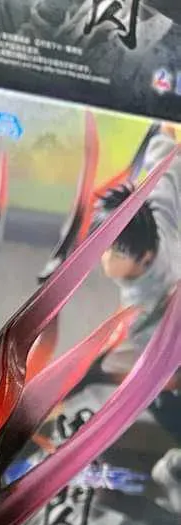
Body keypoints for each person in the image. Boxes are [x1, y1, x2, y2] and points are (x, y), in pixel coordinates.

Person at [94, 122, 181, 379]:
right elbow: (165, 170)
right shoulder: (156, 216)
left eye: (118, 253)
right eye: (104, 246)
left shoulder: (141, 311)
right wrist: (166, 126)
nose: (106, 258)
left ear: (144, 259)